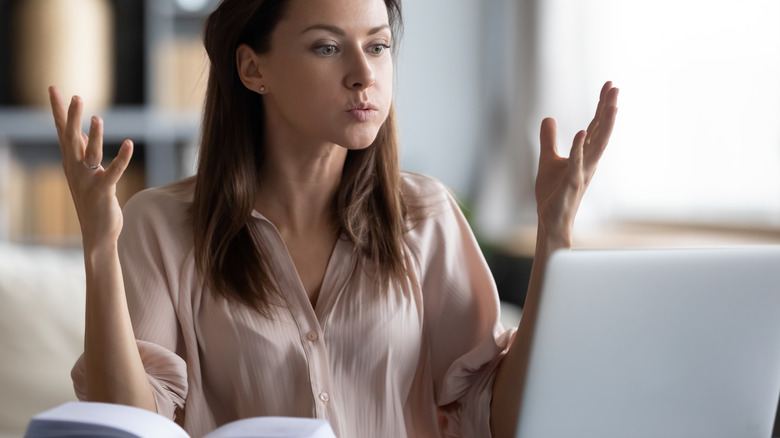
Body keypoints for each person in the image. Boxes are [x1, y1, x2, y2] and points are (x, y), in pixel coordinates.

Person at [48, 0, 618, 436]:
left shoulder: (428, 217)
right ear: (252, 68)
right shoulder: (160, 226)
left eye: (378, 46)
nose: (363, 75)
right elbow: (125, 427)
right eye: (326, 47)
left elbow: (502, 421)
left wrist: (554, 232)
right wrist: (99, 246)